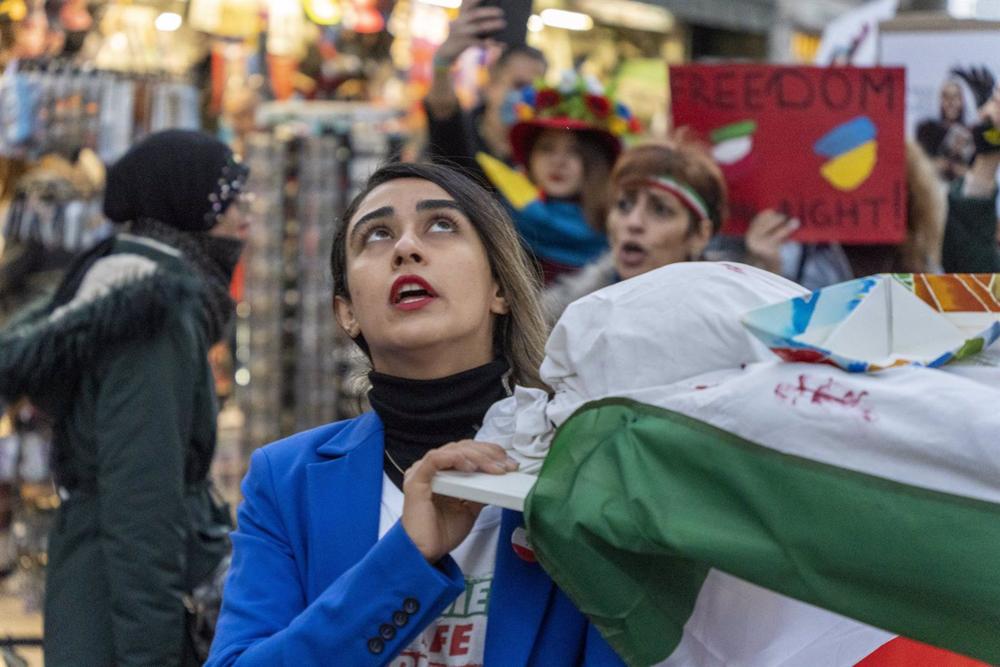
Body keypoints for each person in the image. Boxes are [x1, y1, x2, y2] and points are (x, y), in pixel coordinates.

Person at [208, 162, 624, 666]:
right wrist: (405, 557)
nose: (406, 248)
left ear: (501, 289)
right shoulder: (285, 479)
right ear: (347, 312)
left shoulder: (584, 467)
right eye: (376, 235)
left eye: (442, 225)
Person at [0, 129, 251, 666]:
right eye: (230, 198)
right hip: (122, 607)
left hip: (101, 585)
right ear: (186, 204)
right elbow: (142, 502)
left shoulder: (124, 280)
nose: (245, 215)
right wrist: (152, 653)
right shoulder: (151, 311)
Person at [478, 73, 641, 283]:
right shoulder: (495, 223)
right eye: (546, 149)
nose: (558, 162)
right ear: (530, 159)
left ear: (598, 163)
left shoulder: (628, 232)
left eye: (574, 152)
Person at [543, 137, 726, 322]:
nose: (633, 222)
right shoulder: (559, 318)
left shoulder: (722, 322)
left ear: (700, 236)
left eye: (660, 210)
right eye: (623, 205)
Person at [424, 0, 546, 182]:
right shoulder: (465, 135)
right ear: (491, 84)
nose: (527, 96)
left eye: (535, 88)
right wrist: (443, 60)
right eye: (519, 84)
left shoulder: (538, 151)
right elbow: (442, 108)